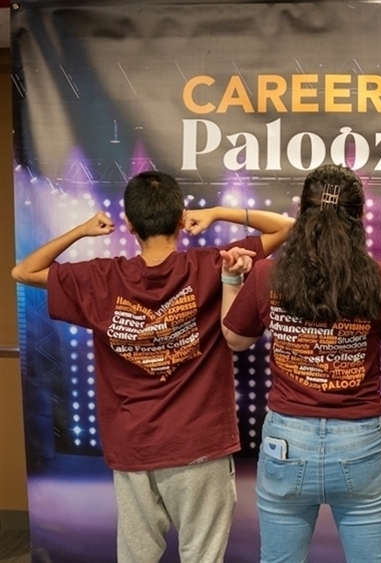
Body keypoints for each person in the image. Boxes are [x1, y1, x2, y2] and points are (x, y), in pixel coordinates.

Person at [11, 170, 294, 563]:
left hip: (134, 446)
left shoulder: (100, 277)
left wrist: (80, 231)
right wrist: (216, 212)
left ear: (128, 222)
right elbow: (289, 228)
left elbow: (22, 271)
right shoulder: (211, 265)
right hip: (200, 445)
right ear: (181, 219)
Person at [218, 164, 381, 563]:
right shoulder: (380, 279)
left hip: (286, 444)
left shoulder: (267, 274)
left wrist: (230, 280)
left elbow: (235, 340)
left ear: (302, 212)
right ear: (359, 218)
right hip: (359, 443)